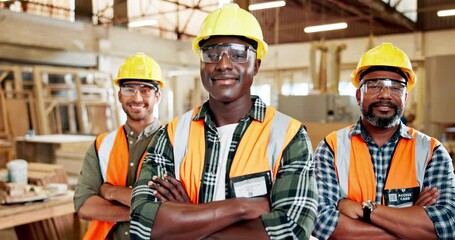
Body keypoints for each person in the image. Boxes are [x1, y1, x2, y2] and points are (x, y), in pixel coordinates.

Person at [130, 3, 318, 240]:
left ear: (256, 65)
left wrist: (188, 215)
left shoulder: (288, 136)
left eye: (238, 53)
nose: (223, 64)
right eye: (212, 53)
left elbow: (292, 230)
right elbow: (141, 224)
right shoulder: (172, 134)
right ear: (202, 64)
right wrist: (242, 208)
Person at [312, 43, 455, 240]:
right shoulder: (332, 148)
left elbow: (446, 225)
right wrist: (409, 223)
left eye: (396, 87)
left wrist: (366, 210)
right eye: (374, 85)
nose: (385, 94)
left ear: (405, 96)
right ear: (358, 95)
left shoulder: (432, 152)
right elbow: (322, 223)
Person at [74, 52, 165, 240]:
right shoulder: (102, 146)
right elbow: (84, 206)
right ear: (119, 96)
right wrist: (146, 210)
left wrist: (110, 191)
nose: (137, 97)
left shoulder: (174, 142)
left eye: (145, 89)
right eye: (129, 89)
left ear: (157, 96)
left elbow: (174, 206)